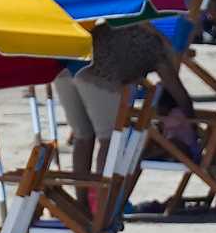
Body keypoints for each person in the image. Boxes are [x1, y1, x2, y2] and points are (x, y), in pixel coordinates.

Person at [51, 22, 197, 194]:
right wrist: (194, 126)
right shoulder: (158, 48)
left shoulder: (129, 28)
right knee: (109, 139)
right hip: (98, 74)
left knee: (83, 138)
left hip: (66, 68)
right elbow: (179, 93)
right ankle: (101, 201)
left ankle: (83, 204)